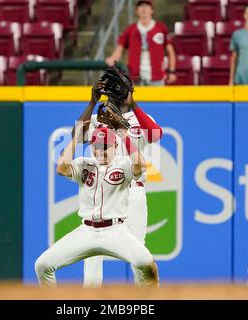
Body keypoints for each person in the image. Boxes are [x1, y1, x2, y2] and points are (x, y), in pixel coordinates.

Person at [35, 126, 159, 287]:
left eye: (105, 147)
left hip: (116, 231)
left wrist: (124, 136)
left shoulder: (123, 164)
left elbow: (140, 167)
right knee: (42, 265)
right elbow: (61, 168)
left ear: (115, 146)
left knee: (146, 263)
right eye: (97, 147)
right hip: (86, 231)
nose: (101, 151)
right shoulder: (83, 164)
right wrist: (75, 140)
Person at [72, 77, 162, 288]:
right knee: (91, 250)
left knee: (138, 251)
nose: (115, 91)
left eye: (120, 88)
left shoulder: (140, 117)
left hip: (133, 191)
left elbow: (156, 134)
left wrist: (133, 104)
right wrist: (92, 102)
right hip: (104, 190)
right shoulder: (98, 118)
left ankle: (146, 300)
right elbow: (76, 135)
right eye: (112, 87)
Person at [105, 0, 177, 86]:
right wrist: (113, 58)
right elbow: (120, 48)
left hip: (157, 77)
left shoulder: (160, 28)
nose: (144, 8)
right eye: (141, 6)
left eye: (147, 6)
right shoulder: (130, 29)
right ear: (136, 11)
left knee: (156, 99)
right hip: (135, 78)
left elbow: (170, 51)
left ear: (152, 10)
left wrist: (171, 71)